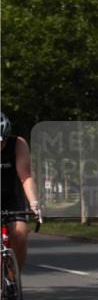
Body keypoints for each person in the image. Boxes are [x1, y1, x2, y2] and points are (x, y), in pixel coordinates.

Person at [1, 112, 41, 276]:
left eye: (2, 141)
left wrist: (34, 203)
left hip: (11, 195)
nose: (0, 145)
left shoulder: (18, 144)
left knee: (20, 234)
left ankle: (12, 276)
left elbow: (26, 176)